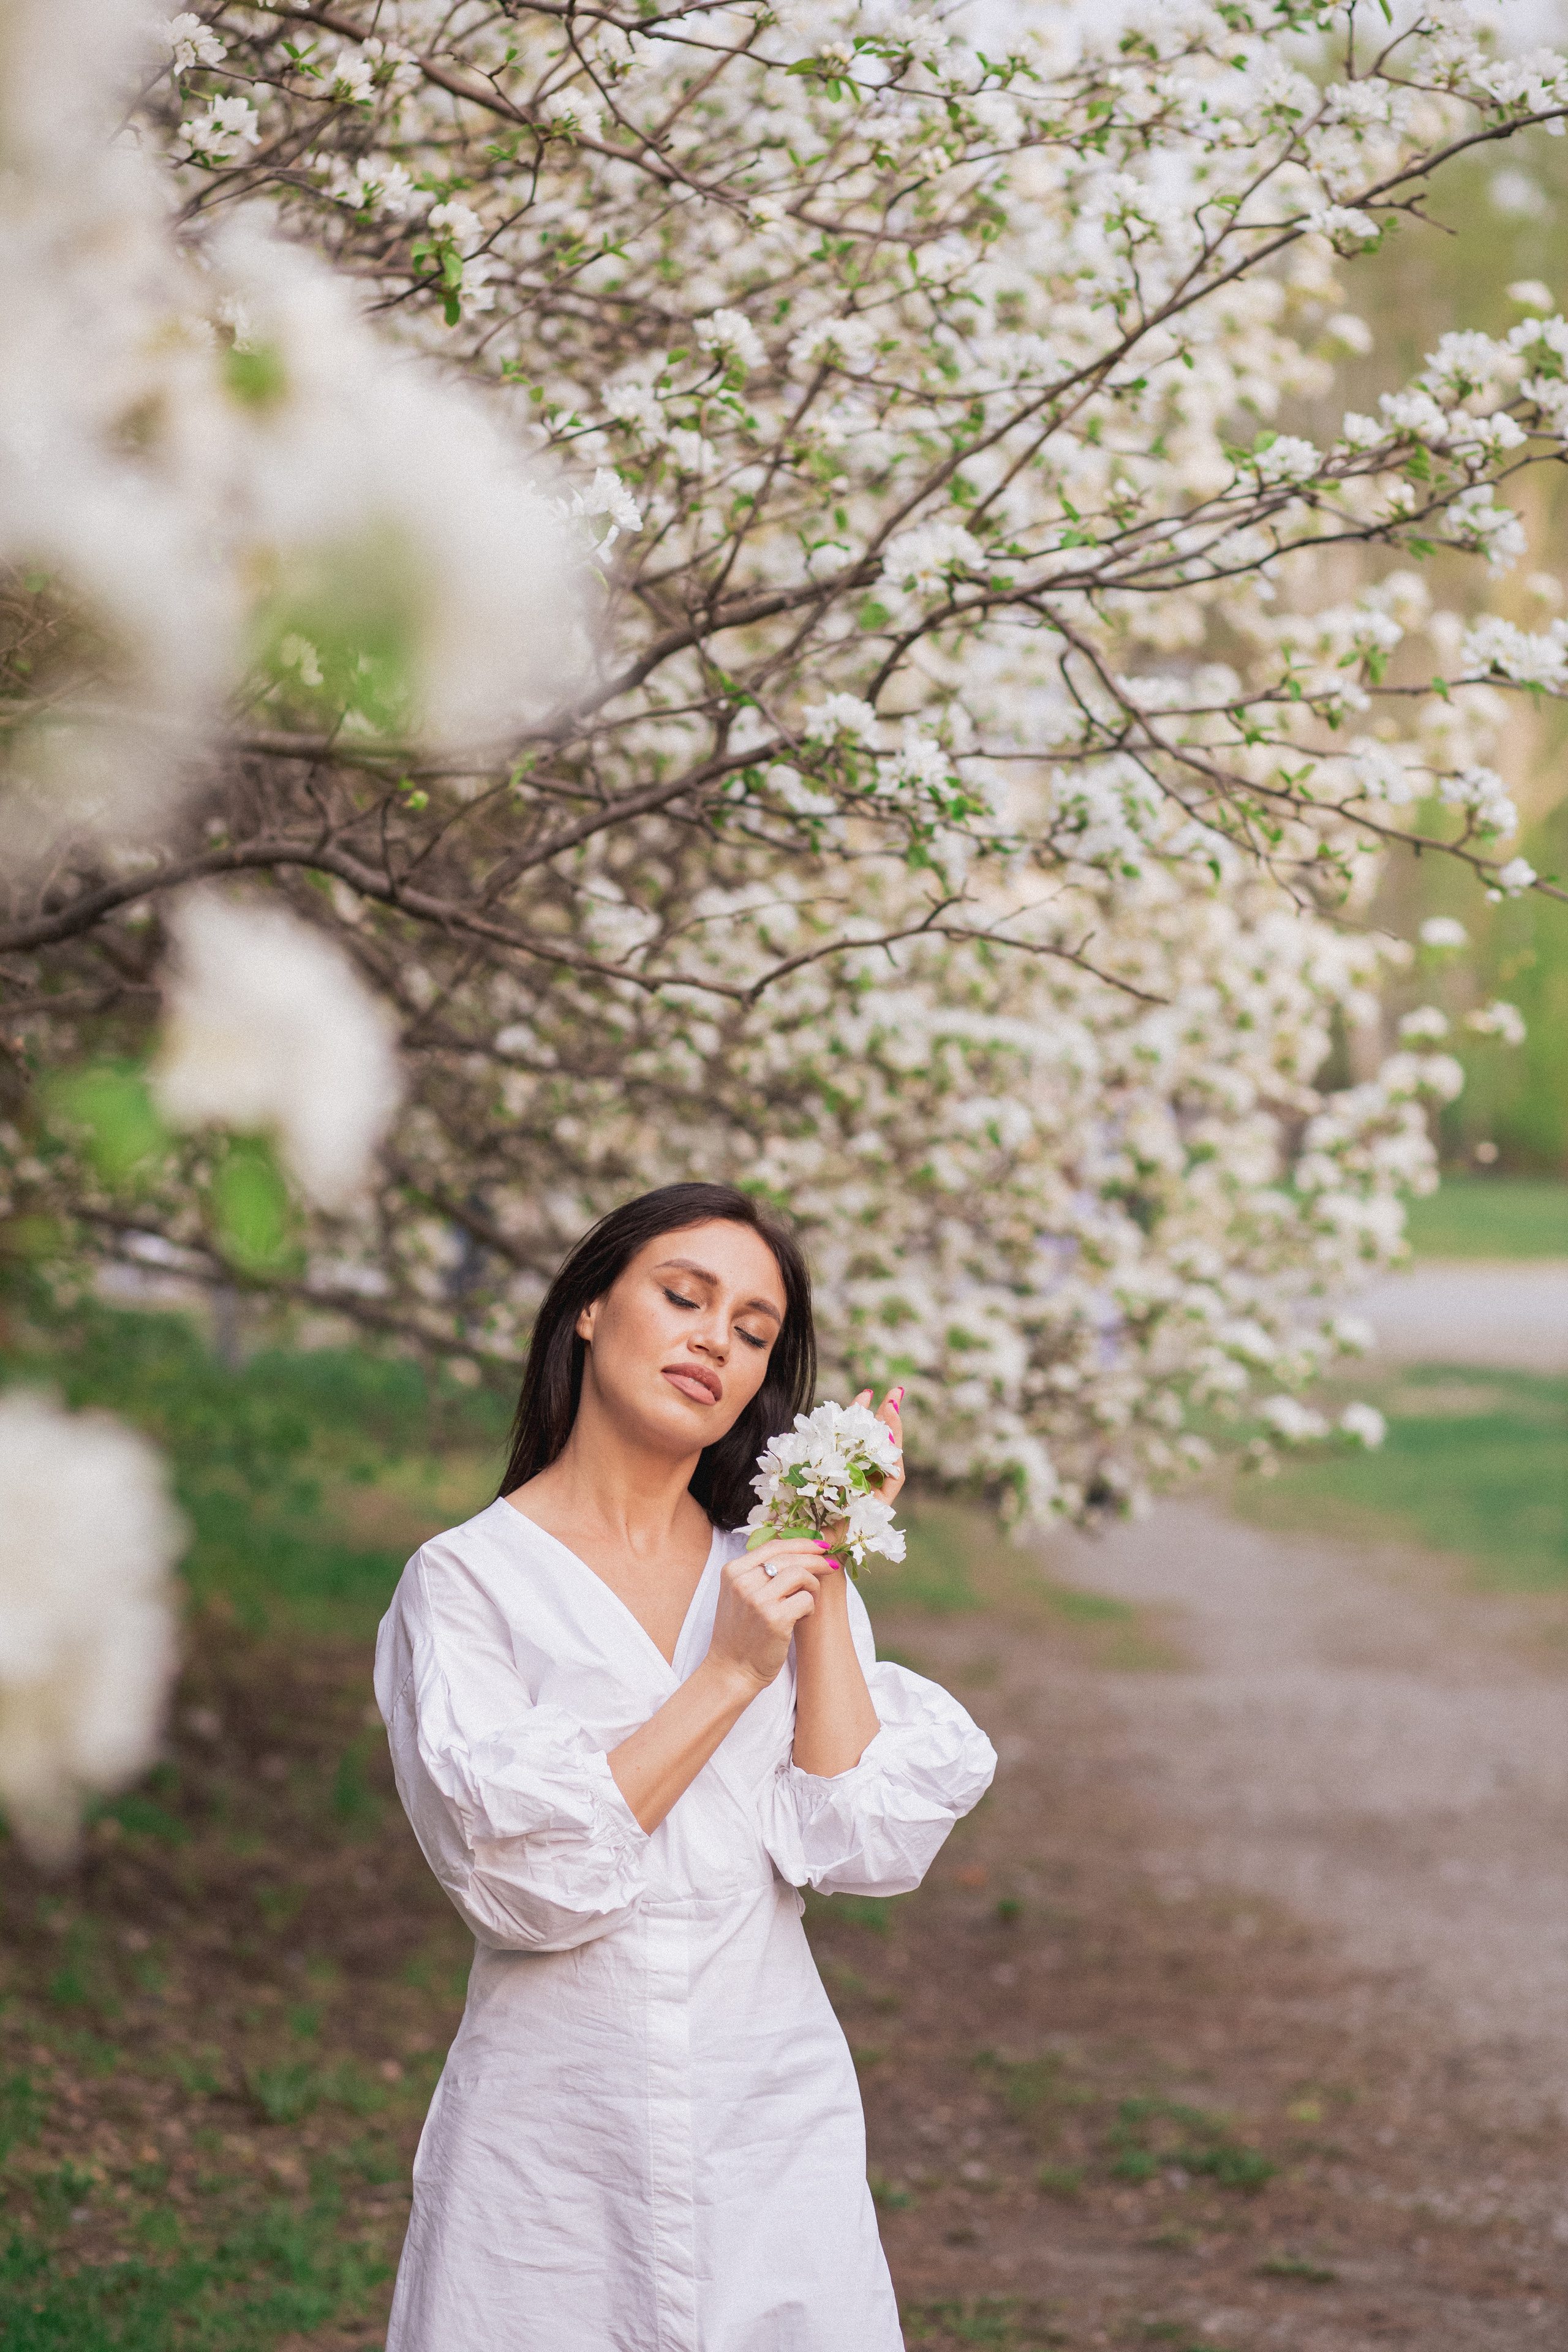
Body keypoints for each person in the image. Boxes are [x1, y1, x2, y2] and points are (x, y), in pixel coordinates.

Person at [374, 1181, 997, 2350]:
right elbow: (525, 1889)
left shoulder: (768, 1571)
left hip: (772, 2113)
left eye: (755, 1332)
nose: (717, 1338)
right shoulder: (465, 1585)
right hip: (555, 2139)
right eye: (685, 1296)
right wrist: (724, 1674)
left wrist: (823, 1558)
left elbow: (856, 1841)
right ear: (593, 1310)